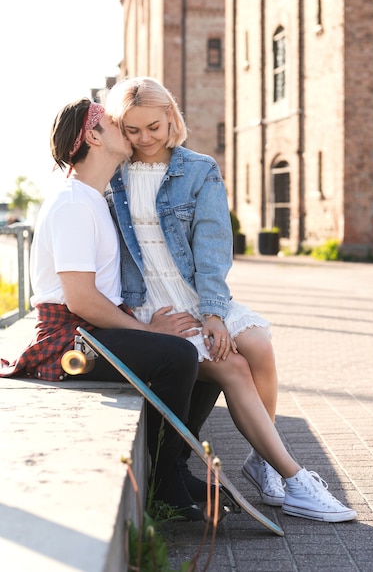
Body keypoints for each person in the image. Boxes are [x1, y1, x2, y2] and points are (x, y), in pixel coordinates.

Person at [104, 76, 358, 523]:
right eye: (132, 130)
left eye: (154, 127)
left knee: (258, 343)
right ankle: (291, 474)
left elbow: (213, 248)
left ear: (172, 120)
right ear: (118, 128)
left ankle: (262, 461)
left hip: (196, 293)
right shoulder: (113, 178)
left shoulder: (199, 169)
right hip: (152, 305)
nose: (144, 139)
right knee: (236, 364)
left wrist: (214, 314)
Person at [0, 98, 206, 521]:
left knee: (203, 350)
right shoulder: (74, 203)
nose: (125, 129)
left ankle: (176, 468)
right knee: (179, 354)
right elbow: (81, 299)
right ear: (93, 136)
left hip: (92, 329)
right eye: (114, 122)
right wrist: (150, 331)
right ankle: (164, 483)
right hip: (69, 340)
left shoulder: (94, 197)